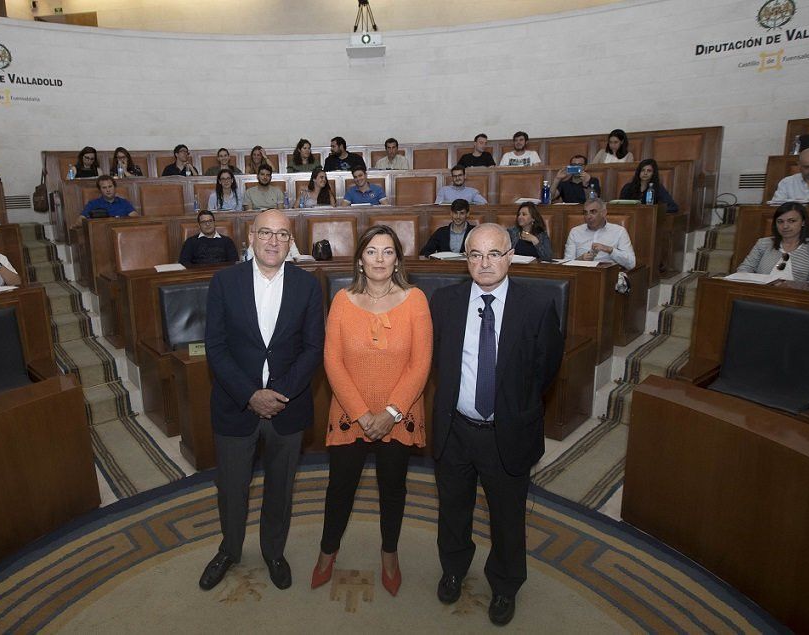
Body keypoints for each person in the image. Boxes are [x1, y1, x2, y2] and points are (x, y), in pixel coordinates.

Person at [430, 223, 564, 626]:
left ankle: (505, 586)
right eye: (475, 255)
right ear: (465, 259)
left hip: (506, 432)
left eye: (493, 254)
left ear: (510, 256)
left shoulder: (538, 305)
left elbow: (545, 371)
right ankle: (454, 567)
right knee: (453, 510)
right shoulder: (445, 302)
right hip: (455, 430)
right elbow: (439, 363)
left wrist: (512, 407)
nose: (484, 263)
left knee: (507, 518)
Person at [199, 210, 324, 593]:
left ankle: (274, 551)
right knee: (232, 487)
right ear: (250, 237)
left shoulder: (308, 285)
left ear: (291, 241)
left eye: (282, 235)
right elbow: (216, 348)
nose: (273, 241)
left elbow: (313, 348)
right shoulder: (224, 282)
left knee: (280, 487)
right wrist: (251, 395)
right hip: (236, 406)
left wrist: (278, 394)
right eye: (266, 233)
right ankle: (229, 549)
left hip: (289, 407)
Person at [312, 225, 432, 597]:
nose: (380, 259)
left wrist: (391, 412)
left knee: (393, 488)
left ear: (397, 259)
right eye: (372, 252)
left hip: (399, 415)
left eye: (388, 252)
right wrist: (363, 414)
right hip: (351, 414)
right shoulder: (342, 300)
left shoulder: (416, 300)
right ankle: (327, 551)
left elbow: (420, 364)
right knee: (340, 488)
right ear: (360, 260)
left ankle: (389, 553)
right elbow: (332, 362)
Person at [736, 202, 809, 285]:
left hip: (797, 299)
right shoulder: (764, 243)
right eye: (780, 222)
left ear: (803, 222)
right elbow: (744, 269)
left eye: (792, 221)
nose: (785, 226)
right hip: (760, 294)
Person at [564, 199, 636, 269]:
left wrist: (610, 250)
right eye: (585, 213)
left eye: (593, 212)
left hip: (609, 276)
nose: (588, 216)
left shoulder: (619, 231)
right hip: (581, 274)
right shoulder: (575, 232)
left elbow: (631, 263)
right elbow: (566, 264)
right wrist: (580, 259)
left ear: (603, 213)